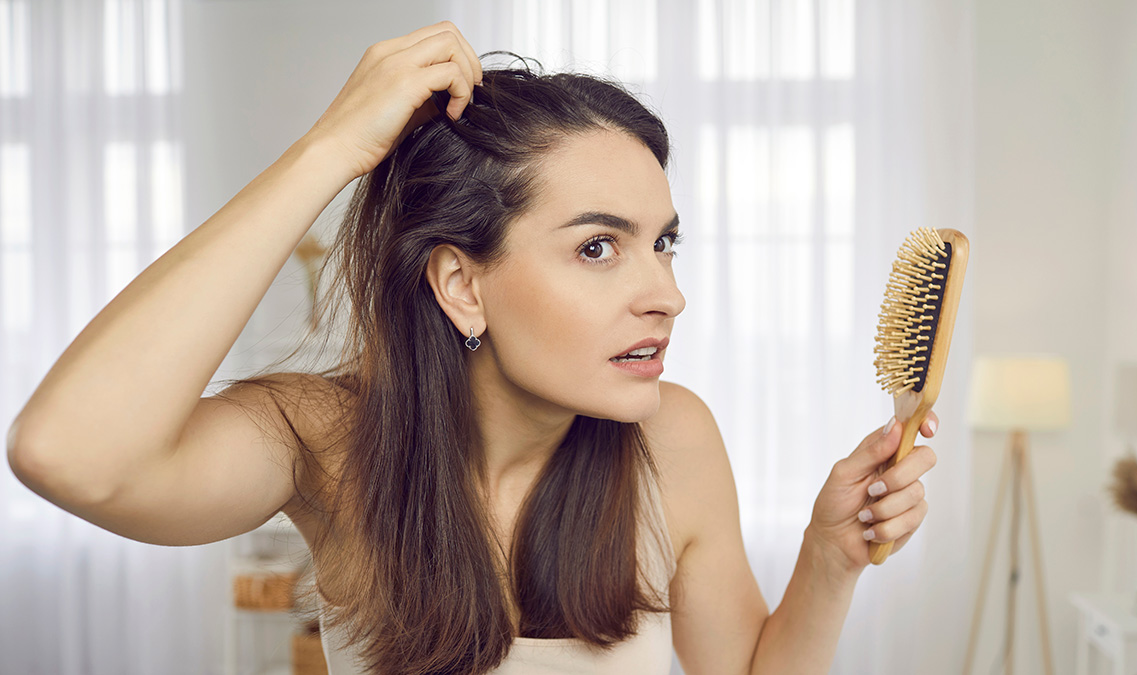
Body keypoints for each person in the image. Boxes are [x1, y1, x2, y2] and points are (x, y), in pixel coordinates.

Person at [7, 20, 939, 675]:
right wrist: (331, 148)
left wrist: (827, 557)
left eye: (664, 243)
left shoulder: (672, 437)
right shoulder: (326, 439)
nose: (667, 294)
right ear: (462, 284)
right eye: (598, 247)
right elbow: (70, 454)